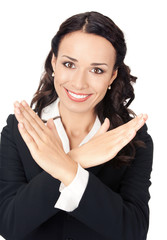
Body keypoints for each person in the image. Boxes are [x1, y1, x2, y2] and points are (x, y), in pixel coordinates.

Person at [0, 11, 153, 240]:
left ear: (112, 76)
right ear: (54, 63)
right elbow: (10, 225)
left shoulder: (130, 138)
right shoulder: (19, 130)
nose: (79, 83)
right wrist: (79, 159)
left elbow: (132, 232)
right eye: (69, 64)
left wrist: (67, 167)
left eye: (97, 70)